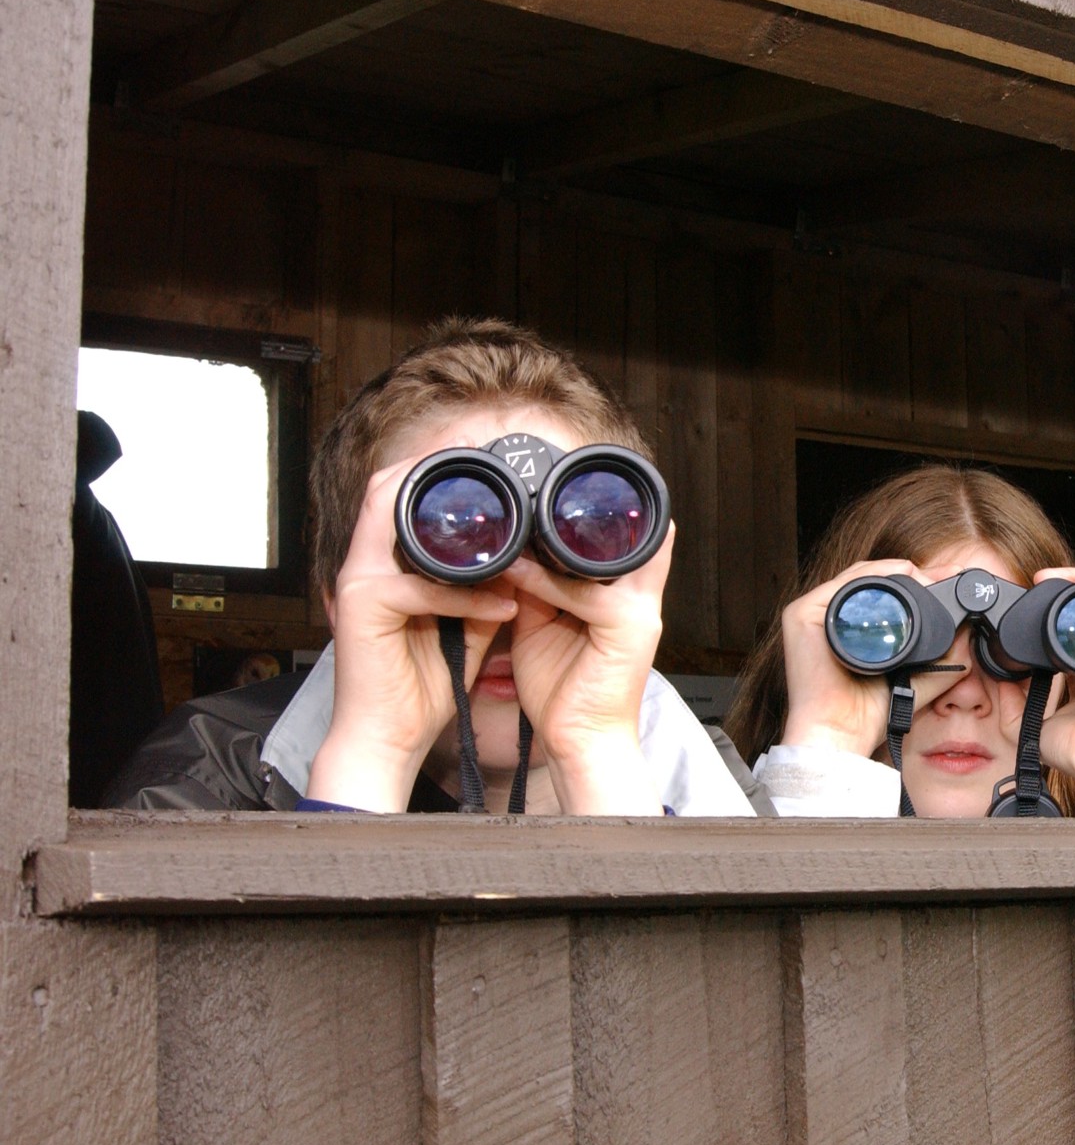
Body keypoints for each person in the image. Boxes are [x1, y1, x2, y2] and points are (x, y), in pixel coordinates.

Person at [105, 318, 764, 816]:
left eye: (578, 532)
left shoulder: (707, 778)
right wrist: (374, 751)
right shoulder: (197, 783)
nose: (510, 594)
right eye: (453, 533)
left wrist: (596, 753)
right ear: (338, 594)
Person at [727, 464, 1075, 818]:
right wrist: (828, 742)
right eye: (923, 653)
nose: (964, 693)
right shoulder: (704, 806)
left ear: (1067, 676)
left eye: (1008, 653)